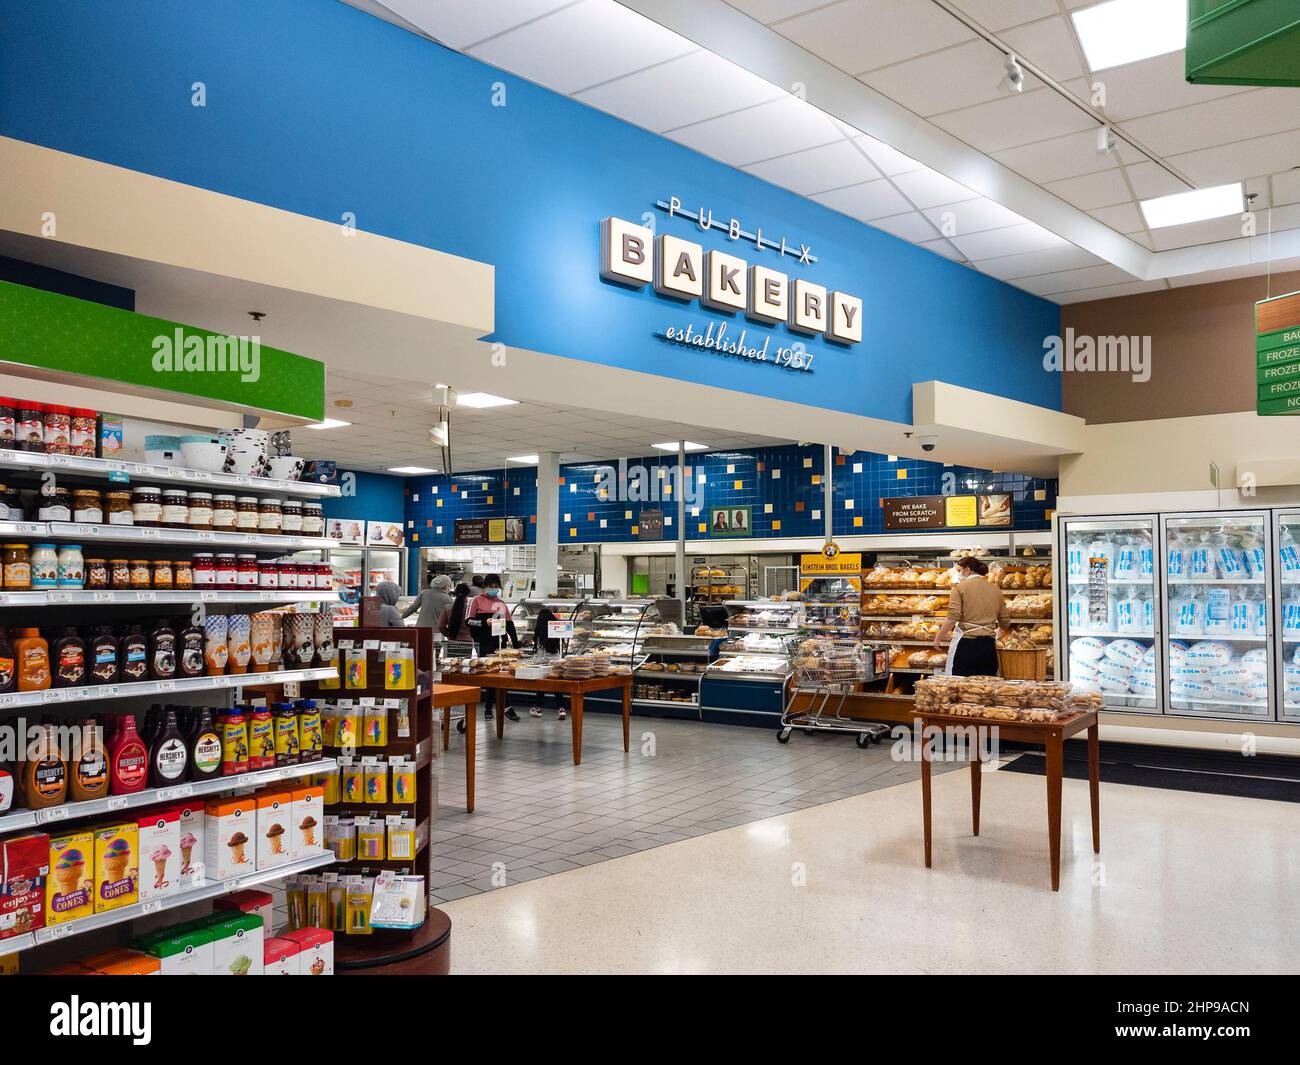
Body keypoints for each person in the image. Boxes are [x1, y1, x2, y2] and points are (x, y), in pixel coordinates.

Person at [932, 556, 1009, 677]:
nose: (958, 574)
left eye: (959, 570)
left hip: (966, 645)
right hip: (988, 646)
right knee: (985, 686)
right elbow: (1005, 622)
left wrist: (938, 638)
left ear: (967, 570)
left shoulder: (958, 588)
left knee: (962, 687)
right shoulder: (995, 589)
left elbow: (952, 617)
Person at [467, 574, 521, 721]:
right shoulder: (476, 600)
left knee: (501, 676)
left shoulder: (501, 603)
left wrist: (516, 644)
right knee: (490, 676)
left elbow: (509, 624)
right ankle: (493, 708)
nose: (494, 589)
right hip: (483, 643)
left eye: (496, 587)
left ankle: (498, 708)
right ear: (485, 587)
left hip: (500, 644)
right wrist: (485, 622)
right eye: (491, 586)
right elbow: (469, 621)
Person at [528, 606, 567, 720]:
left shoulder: (539, 632)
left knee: (541, 686)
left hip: (543, 663)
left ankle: (538, 707)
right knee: (557, 687)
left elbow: (539, 650)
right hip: (556, 662)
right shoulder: (556, 630)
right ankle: (561, 709)